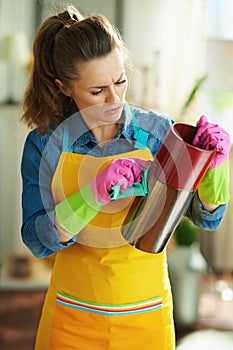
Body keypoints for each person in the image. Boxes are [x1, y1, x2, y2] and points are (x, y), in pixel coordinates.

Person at [20, 5, 230, 350]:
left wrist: (213, 168)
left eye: (120, 81)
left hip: (146, 316)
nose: (115, 99)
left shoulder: (160, 131)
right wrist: (91, 195)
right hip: (71, 318)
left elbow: (207, 218)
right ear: (64, 87)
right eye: (97, 91)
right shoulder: (45, 143)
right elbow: (36, 238)